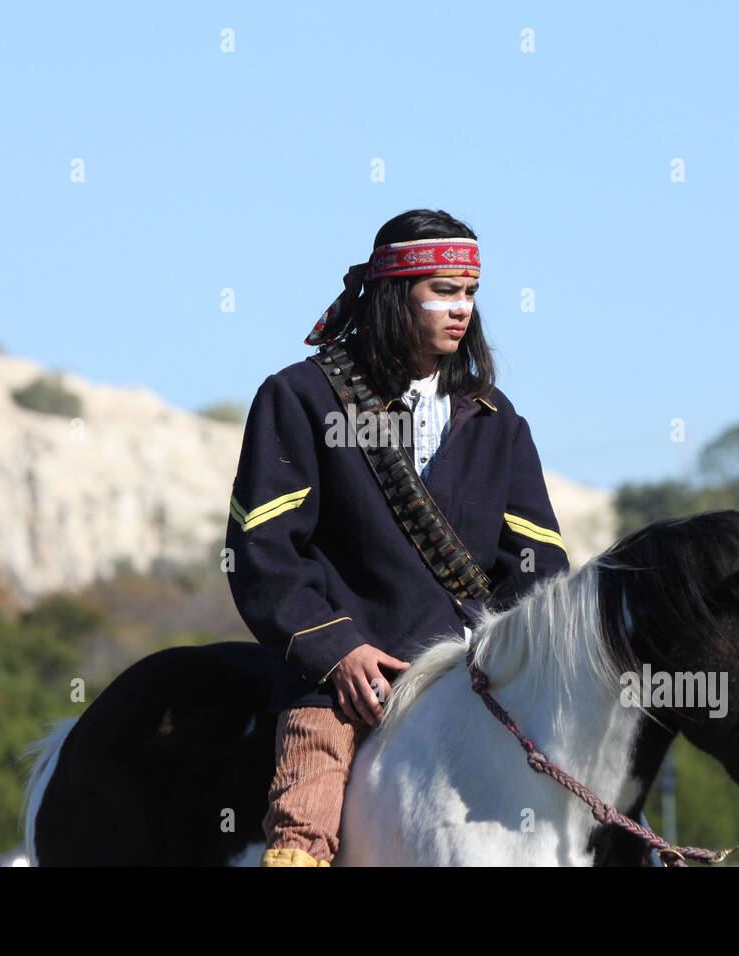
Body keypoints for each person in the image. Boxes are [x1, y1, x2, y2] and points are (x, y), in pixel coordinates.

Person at [224, 209, 569, 867]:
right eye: (441, 290)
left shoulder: (499, 423)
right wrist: (337, 651)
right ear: (392, 295)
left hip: (470, 677)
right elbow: (262, 552)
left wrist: (500, 655)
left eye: (467, 292)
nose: (460, 308)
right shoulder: (302, 399)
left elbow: (540, 565)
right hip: (345, 684)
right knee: (304, 828)